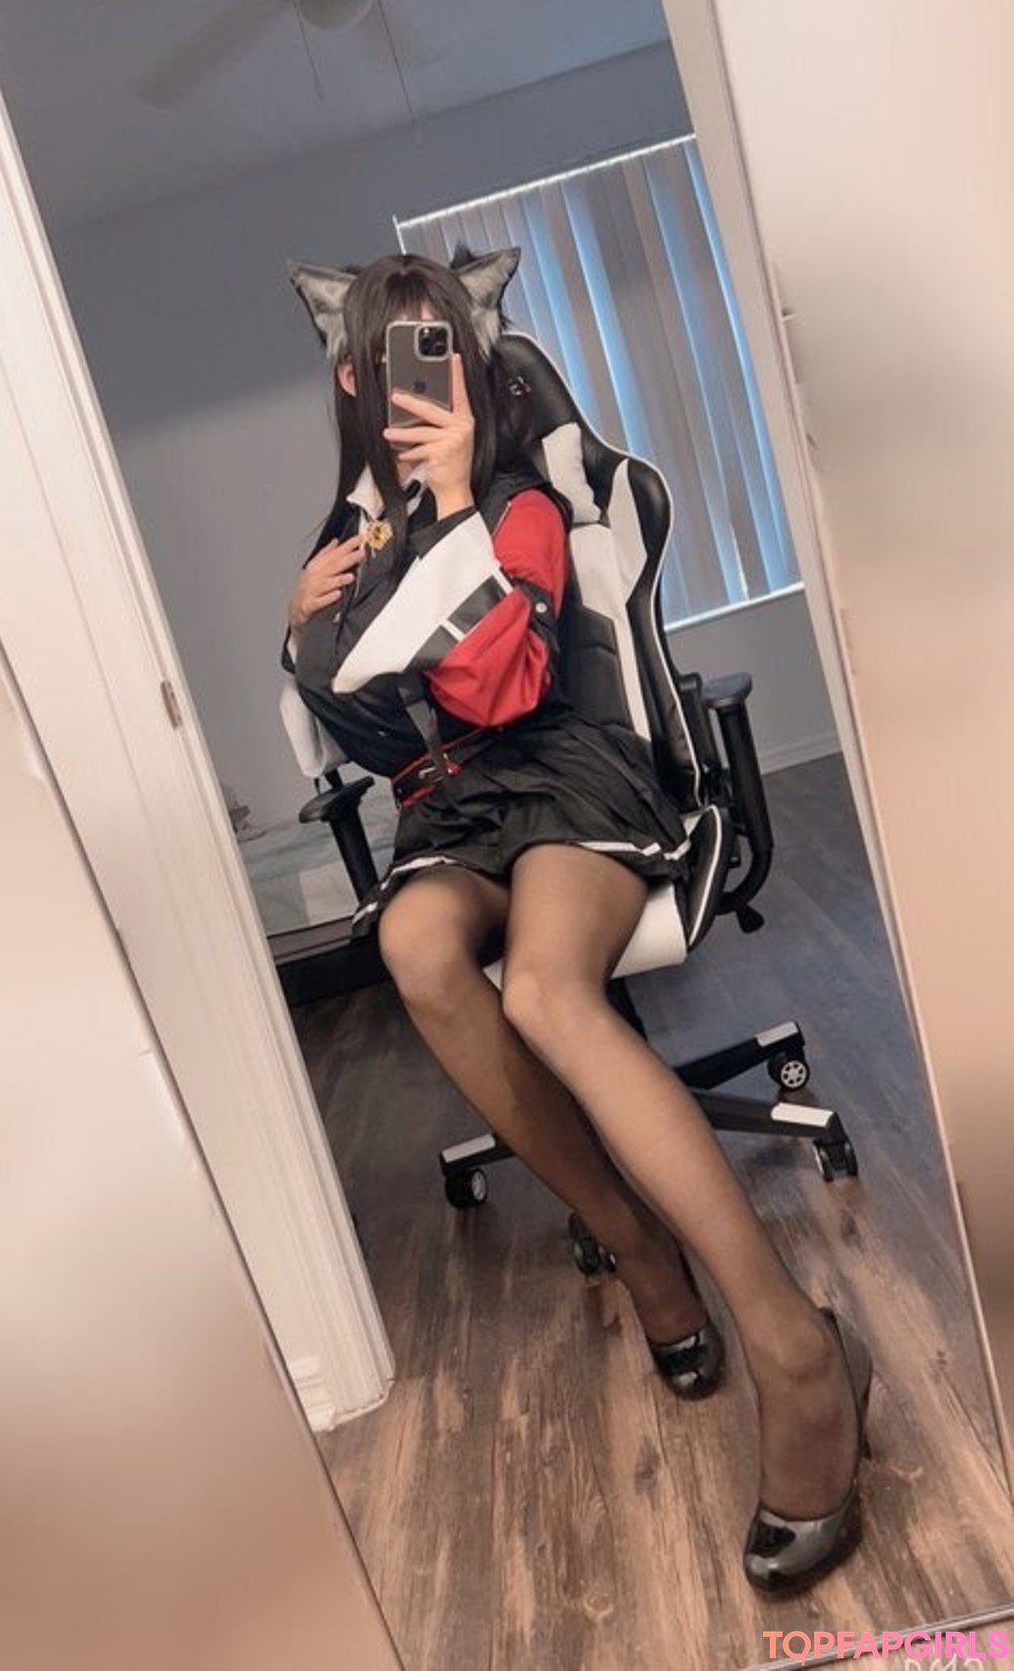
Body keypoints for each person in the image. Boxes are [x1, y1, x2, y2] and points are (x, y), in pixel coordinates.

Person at [281, 247, 872, 1594]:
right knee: (413, 948)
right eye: (387, 359)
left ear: (475, 364)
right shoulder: (354, 542)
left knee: (548, 990)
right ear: (354, 382)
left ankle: (794, 1345)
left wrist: (452, 507)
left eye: (439, 349)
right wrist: (301, 625)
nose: (414, 382)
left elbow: (502, 689)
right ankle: (638, 1243)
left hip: (573, 776)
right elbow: (368, 733)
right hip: (459, 811)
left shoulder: (526, 506)